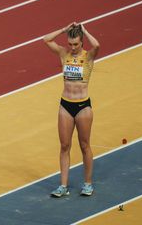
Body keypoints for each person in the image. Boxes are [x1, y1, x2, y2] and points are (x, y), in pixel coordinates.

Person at [43, 22, 100, 197]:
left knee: (84, 145)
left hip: (82, 106)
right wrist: (63, 30)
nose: (73, 47)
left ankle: (88, 184)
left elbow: (97, 45)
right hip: (65, 105)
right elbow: (46, 40)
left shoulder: (88, 56)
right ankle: (63, 186)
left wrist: (84, 30)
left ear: (82, 42)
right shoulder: (63, 53)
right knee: (64, 145)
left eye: (76, 44)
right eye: (70, 43)